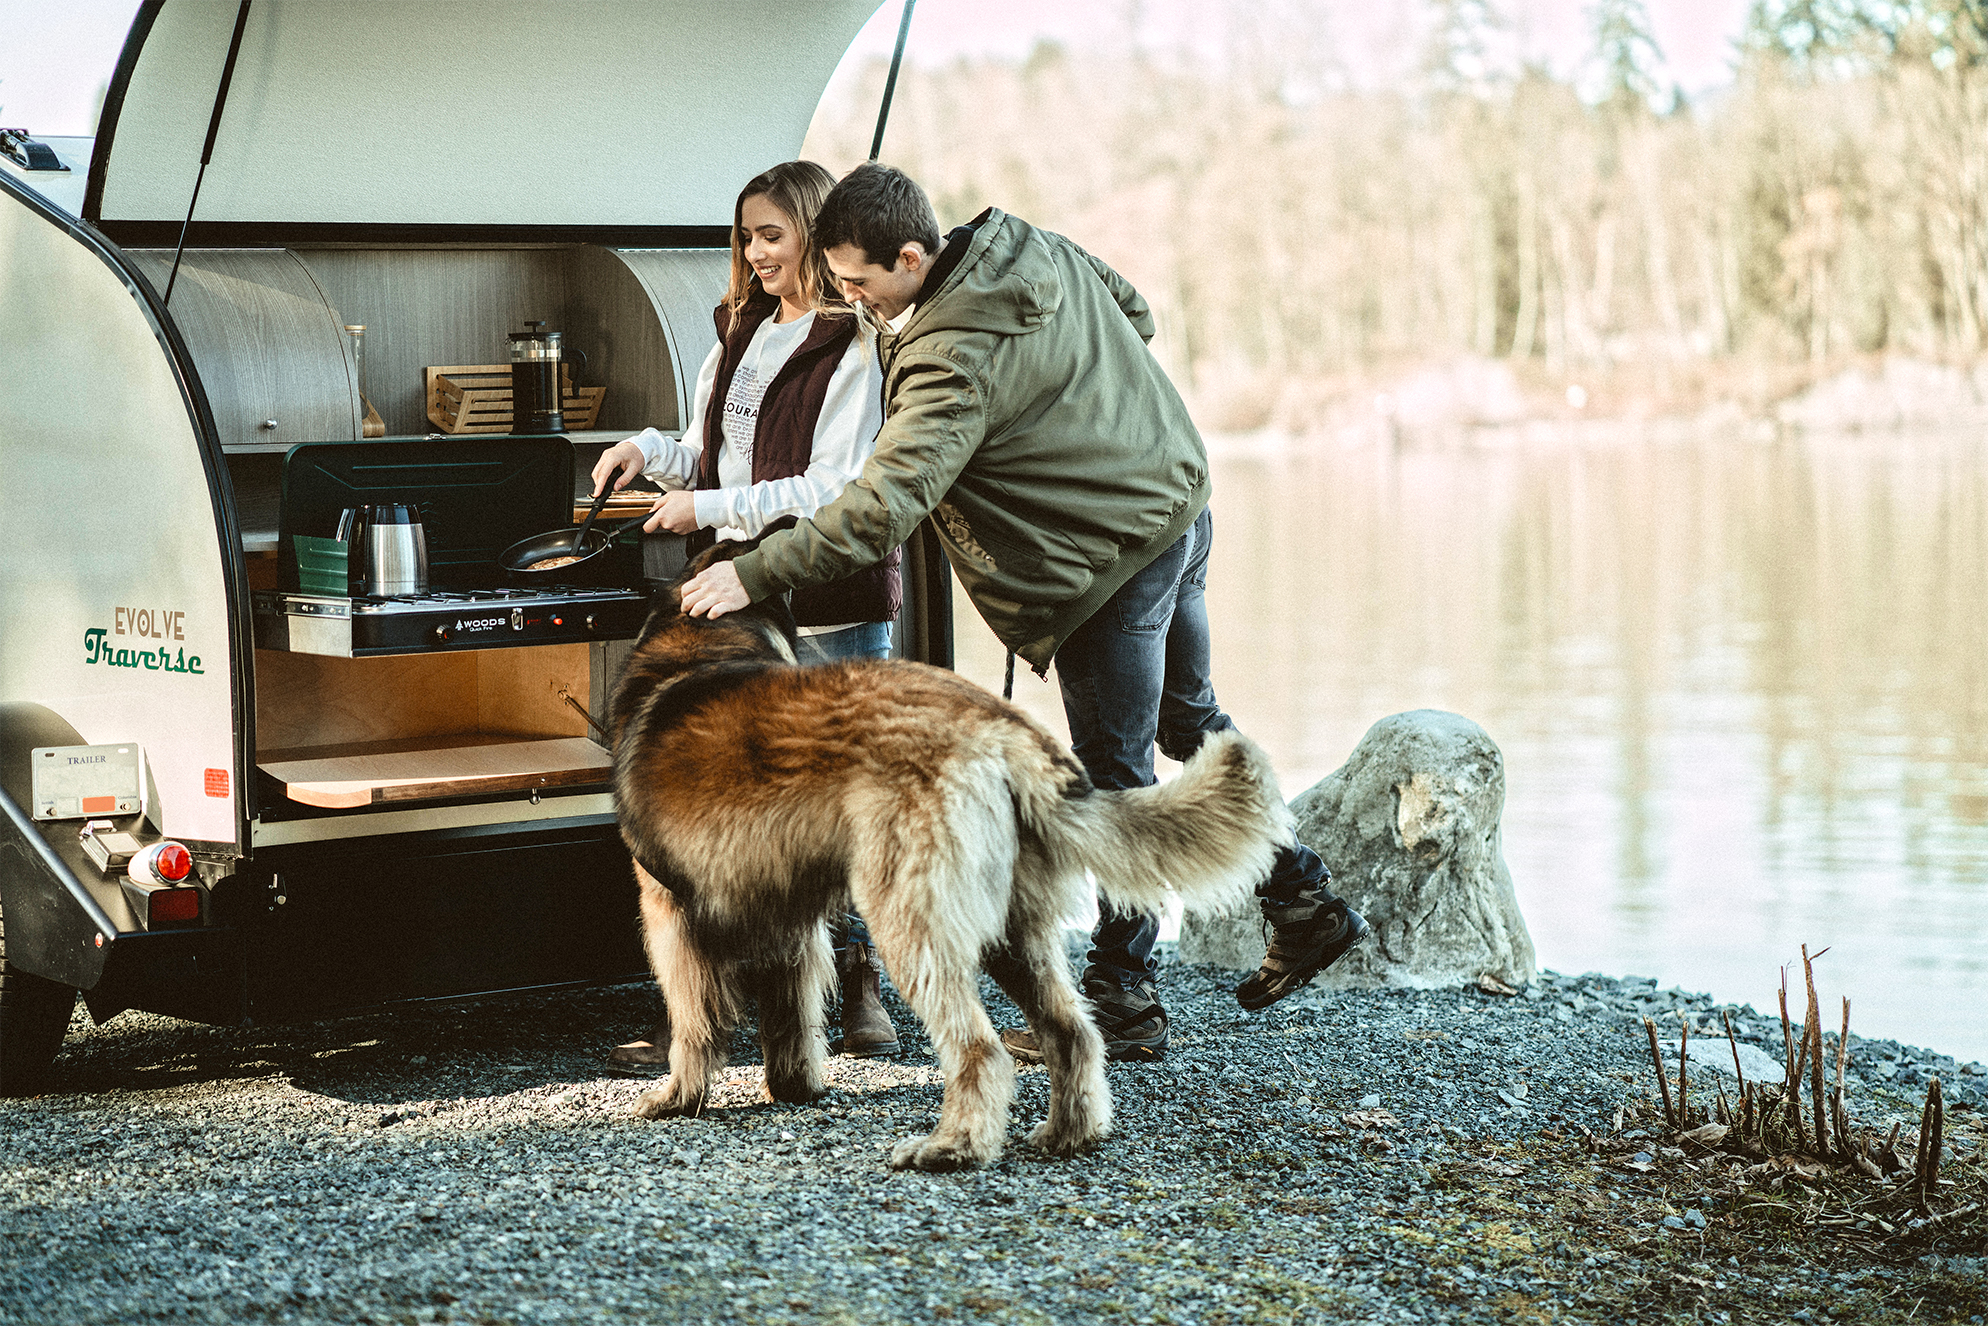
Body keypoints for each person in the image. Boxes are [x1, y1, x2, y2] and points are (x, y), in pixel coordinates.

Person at [675, 163, 1370, 1063]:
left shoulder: (950, 360)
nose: (849, 299)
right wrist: (1070, 407)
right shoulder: (1028, 246)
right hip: (1176, 505)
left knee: (1113, 774)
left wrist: (752, 573)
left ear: (914, 256)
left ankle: (1123, 1003)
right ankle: (1306, 903)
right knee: (1188, 720)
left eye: (858, 282)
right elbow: (1137, 312)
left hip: (1104, 566)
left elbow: (883, 506)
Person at [591, 160, 903, 1071]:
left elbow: (835, 489)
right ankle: (704, 1007)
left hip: (833, 598)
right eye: (746, 236)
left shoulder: (854, 343)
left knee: (838, 802)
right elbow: (703, 453)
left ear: (814, 231)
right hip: (742, 598)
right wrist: (645, 452)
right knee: (737, 805)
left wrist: (708, 513)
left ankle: (857, 984)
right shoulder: (739, 331)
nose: (754, 252)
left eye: (771, 234)